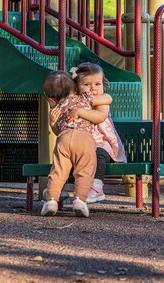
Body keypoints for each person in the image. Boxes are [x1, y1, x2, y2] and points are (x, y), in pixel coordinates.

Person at [41, 70, 101, 217]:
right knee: (85, 172)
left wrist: (52, 122)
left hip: (64, 139)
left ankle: (51, 201)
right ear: (74, 89)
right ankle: (80, 201)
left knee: (58, 172)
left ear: (51, 99)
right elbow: (106, 99)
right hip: (85, 139)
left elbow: (57, 131)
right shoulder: (84, 98)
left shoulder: (56, 108)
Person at [70, 62, 126, 204]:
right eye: (87, 84)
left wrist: (81, 109)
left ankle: (97, 187)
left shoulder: (102, 100)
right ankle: (59, 188)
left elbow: (99, 116)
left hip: (102, 143)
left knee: (98, 155)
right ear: (76, 87)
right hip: (82, 144)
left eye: (97, 84)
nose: (93, 88)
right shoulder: (75, 102)